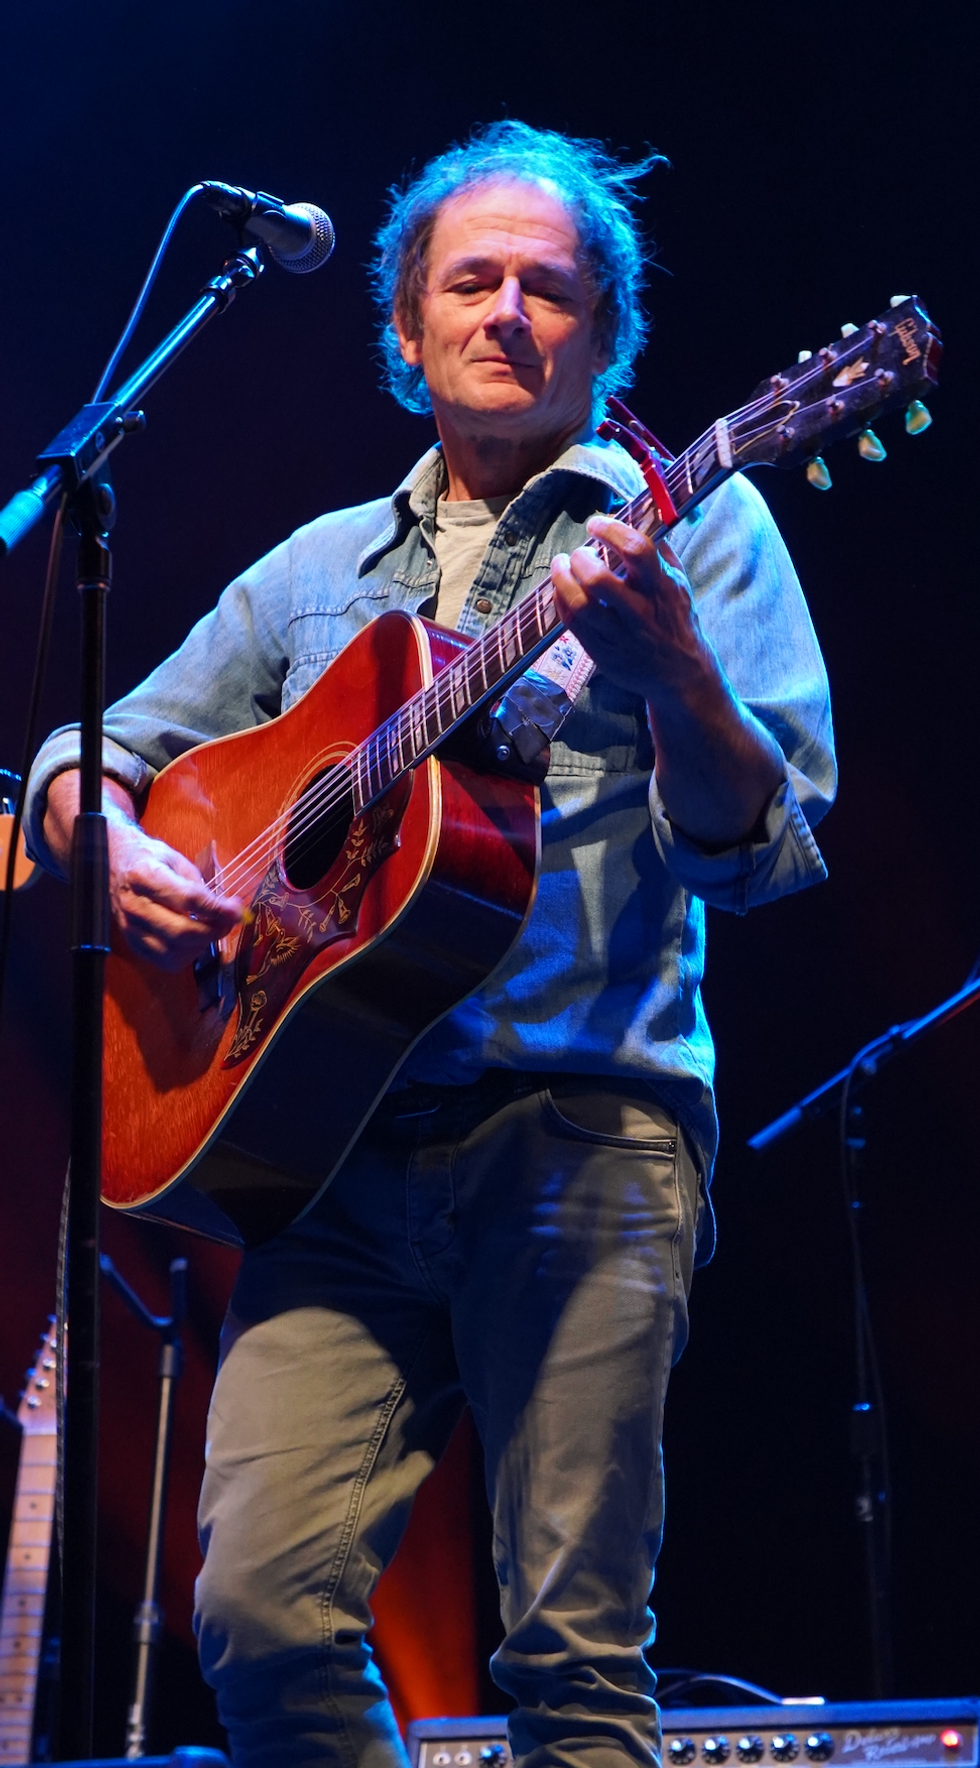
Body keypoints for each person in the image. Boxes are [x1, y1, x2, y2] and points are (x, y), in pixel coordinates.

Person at [25, 122, 836, 1768]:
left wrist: (677, 674)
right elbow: (84, 751)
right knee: (251, 1618)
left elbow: (770, 852)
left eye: (552, 290)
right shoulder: (318, 570)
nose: (510, 313)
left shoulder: (695, 531)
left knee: (573, 1664)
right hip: (331, 1162)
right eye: (473, 283)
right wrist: (100, 838)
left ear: (606, 342)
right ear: (406, 333)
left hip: (585, 1130)